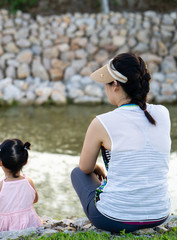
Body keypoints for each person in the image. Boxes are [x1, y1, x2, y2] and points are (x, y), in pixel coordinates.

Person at [71, 53, 171, 233]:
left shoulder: (102, 122)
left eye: (106, 84)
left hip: (113, 219)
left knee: (77, 173)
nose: (106, 89)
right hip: (160, 213)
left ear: (115, 85)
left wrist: (98, 169)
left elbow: (85, 168)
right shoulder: (163, 113)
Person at [0, 138, 42, 232]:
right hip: (29, 224)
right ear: (25, 161)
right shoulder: (29, 181)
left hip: (5, 228)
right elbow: (35, 200)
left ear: (0, 162)